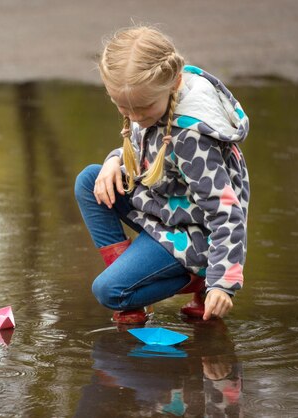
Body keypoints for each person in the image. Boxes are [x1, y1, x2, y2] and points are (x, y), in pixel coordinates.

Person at [74, 25, 250, 324]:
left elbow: (227, 213)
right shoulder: (151, 103)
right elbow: (146, 155)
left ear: (174, 82)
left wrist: (223, 282)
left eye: (143, 108)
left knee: (108, 291)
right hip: (164, 210)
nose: (134, 117)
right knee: (90, 180)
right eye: (123, 108)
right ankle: (135, 279)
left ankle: (197, 280)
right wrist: (114, 160)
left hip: (192, 237)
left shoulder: (192, 139)